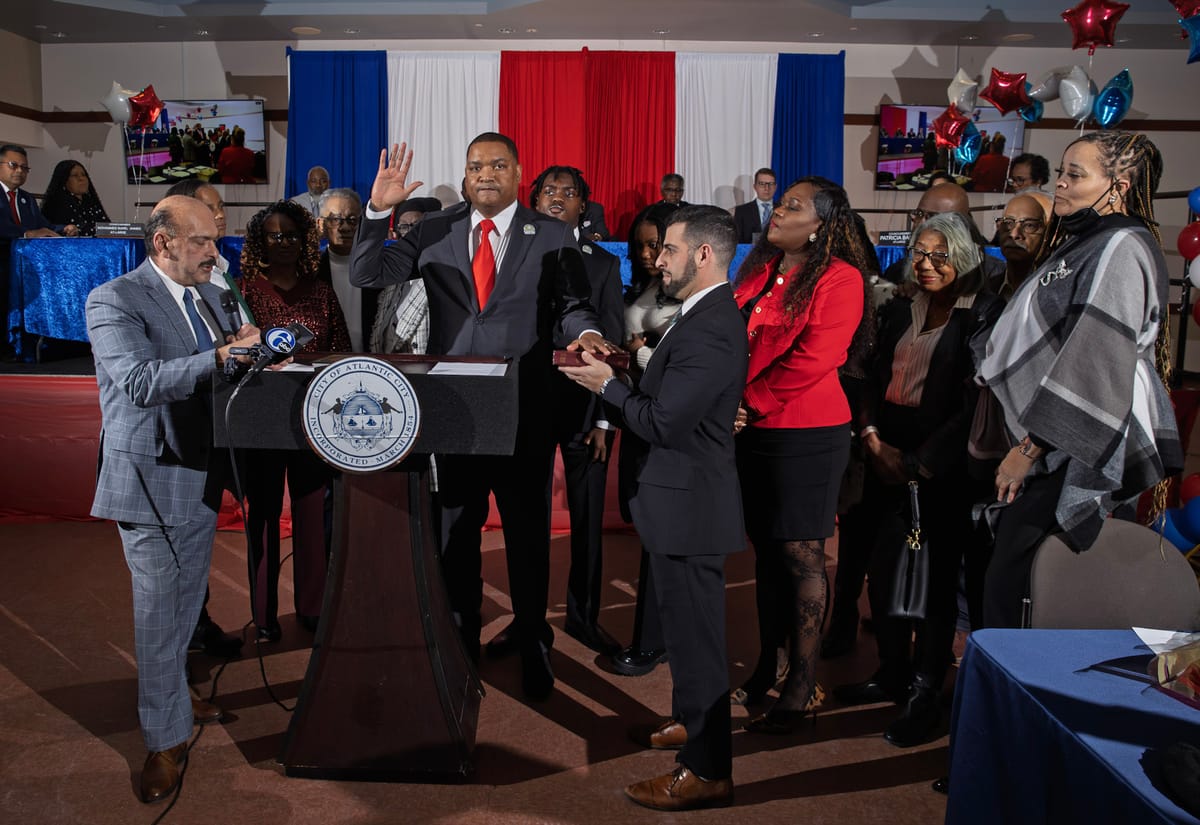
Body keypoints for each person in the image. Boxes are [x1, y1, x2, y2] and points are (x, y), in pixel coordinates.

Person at [349, 135, 608, 700]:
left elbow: (573, 306)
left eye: (496, 164)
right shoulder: (434, 229)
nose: (484, 173)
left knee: (527, 536)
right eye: (474, 166)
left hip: (524, 413)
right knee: (457, 535)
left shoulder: (555, 233)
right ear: (464, 177)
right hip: (456, 413)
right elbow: (367, 274)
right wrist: (377, 211)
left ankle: (535, 644)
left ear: (519, 172)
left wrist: (586, 332)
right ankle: (459, 647)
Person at [560, 205, 747, 811]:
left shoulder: (712, 323)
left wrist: (606, 388)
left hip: (690, 505)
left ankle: (707, 770)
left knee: (698, 643)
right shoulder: (699, 317)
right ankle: (694, 724)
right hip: (677, 503)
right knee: (686, 637)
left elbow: (664, 423)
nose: (654, 259)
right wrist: (625, 369)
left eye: (667, 249)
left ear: (701, 255)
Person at [85, 195, 262, 803]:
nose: (217, 252)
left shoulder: (214, 294)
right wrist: (220, 356)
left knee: (187, 598)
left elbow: (226, 372)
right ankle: (163, 740)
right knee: (159, 607)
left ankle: (174, 695)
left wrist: (255, 352)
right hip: (148, 475)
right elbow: (138, 383)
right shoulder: (115, 298)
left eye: (217, 240)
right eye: (204, 242)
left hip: (203, 468)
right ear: (163, 243)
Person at [976, 131, 1183, 628]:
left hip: (1073, 443)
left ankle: (1017, 697)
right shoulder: (1089, 240)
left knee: (1018, 583)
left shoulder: (1121, 245)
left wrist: (1030, 449)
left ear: (1121, 185)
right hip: (1053, 439)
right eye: (1061, 172)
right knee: (1009, 575)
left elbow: (1095, 357)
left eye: (1076, 175)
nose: (1060, 186)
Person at [834, 212, 1002, 747]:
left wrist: (919, 462)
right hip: (883, 445)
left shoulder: (979, 317)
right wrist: (872, 436)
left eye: (940, 255)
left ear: (966, 256)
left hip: (941, 465)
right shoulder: (901, 307)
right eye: (921, 254)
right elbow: (874, 375)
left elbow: (972, 402)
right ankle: (891, 671)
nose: (927, 264)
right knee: (883, 574)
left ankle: (926, 692)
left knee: (931, 584)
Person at [730, 177, 872, 734]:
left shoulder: (841, 278)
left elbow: (817, 356)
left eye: (792, 206)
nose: (778, 211)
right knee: (766, 555)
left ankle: (802, 686)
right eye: (780, 202)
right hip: (752, 428)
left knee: (802, 556)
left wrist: (748, 402)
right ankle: (769, 664)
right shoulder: (760, 268)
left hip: (806, 432)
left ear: (821, 223)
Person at [487, 165, 624, 657]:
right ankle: (529, 621)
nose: (558, 198)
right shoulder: (506, 254)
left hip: (586, 411)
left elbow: (612, 341)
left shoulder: (604, 265)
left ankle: (584, 617)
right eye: (550, 190)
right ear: (534, 197)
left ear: (582, 207)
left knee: (586, 522)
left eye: (570, 193)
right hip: (525, 409)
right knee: (530, 520)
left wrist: (607, 419)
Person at [240, 200, 351, 641]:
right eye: (273, 235)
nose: (283, 242)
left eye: (291, 235)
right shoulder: (244, 290)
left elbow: (341, 350)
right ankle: (263, 616)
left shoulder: (321, 291)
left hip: (312, 422)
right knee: (263, 517)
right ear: (259, 241)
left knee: (312, 518)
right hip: (261, 422)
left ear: (305, 239)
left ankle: (312, 607)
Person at [609, 206, 680, 677]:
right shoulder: (643, 287)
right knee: (641, 521)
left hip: (668, 423)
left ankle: (654, 641)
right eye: (642, 244)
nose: (650, 253)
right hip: (635, 415)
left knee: (663, 536)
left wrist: (639, 350)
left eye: (659, 244)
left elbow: (684, 368)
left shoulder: (695, 296)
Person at [371, 197, 446, 355]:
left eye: (416, 226)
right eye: (404, 226)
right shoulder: (392, 279)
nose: (410, 232)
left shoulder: (442, 278)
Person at [316, 187, 376, 352]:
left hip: (374, 363)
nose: (345, 227)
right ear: (321, 224)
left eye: (352, 219)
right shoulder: (310, 273)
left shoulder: (376, 267)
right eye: (335, 219)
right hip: (326, 363)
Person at [988, 191, 1052, 299]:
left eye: (1030, 225)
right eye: (1008, 223)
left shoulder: (1054, 292)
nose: (1014, 234)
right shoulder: (986, 287)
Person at [40, 160, 110, 237]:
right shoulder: (57, 206)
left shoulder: (91, 204)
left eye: (83, 175)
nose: (81, 179)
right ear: (64, 180)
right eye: (75, 175)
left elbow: (108, 228)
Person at [733, 167, 777, 244]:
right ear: (755, 187)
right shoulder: (741, 211)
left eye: (770, 184)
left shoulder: (783, 209)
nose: (766, 188)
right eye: (762, 184)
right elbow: (737, 242)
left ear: (775, 187)